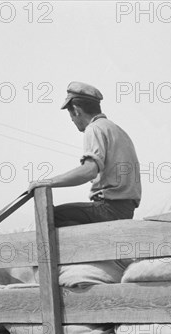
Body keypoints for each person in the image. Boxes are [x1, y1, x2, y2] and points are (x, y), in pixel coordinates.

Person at [28, 81, 141, 226]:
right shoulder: (117, 130)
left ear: (76, 110)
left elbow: (89, 171)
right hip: (125, 209)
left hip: (109, 209)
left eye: (71, 116)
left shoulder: (94, 129)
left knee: (51, 216)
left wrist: (45, 182)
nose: (73, 120)